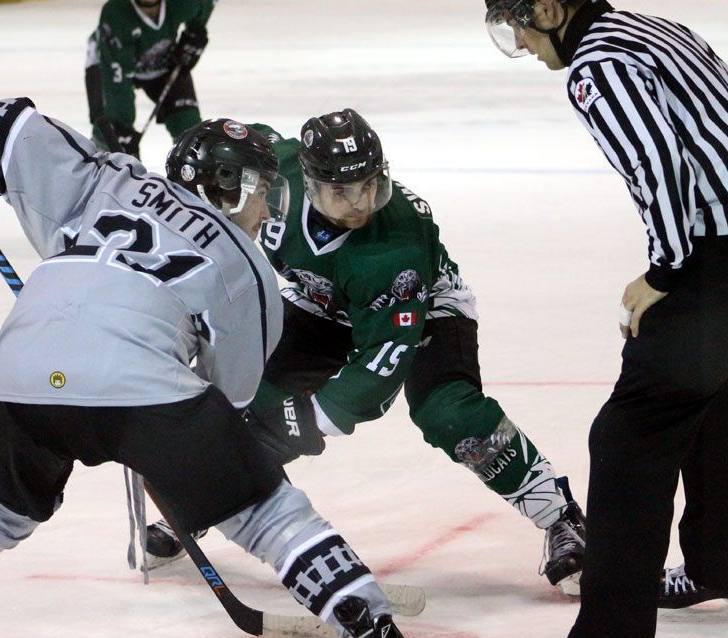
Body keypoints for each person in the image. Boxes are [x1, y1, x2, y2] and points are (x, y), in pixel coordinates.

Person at [0, 98, 441, 638]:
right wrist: (173, 445)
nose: (268, 211)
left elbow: (6, 125)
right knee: (265, 512)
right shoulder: (246, 265)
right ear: (231, 189)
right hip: (142, 393)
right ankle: (375, 633)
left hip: (17, 375)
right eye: (264, 192)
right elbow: (232, 397)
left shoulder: (111, 178)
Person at [141, 108, 588, 597]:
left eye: (370, 185)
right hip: (322, 302)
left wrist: (310, 420)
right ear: (309, 181)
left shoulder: (394, 249)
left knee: (448, 412)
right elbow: (226, 151)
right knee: (250, 391)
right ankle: (210, 498)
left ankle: (560, 516)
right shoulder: (277, 166)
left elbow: (379, 368)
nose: (360, 203)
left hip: (424, 307)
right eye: (343, 191)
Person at [483, 1, 728, 638]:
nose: (521, 44)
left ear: (549, 9)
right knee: (715, 403)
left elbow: (657, 167)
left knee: (629, 436)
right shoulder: (649, 28)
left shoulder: (598, 65)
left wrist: (665, 271)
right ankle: (725, 566)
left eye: (517, 24)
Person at [85, 0, 214, 160]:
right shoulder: (116, 12)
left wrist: (195, 33)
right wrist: (121, 129)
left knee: (190, 129)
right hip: (107, 62)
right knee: (111, 132)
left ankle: (190, 170)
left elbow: (205, 5)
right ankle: (104, 157)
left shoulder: (182, 3)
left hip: (163, 61)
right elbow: (117, 79)